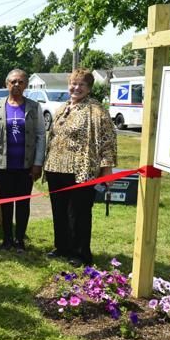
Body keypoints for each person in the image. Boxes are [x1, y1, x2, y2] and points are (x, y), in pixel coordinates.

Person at [43, 68, 117, 266]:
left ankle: (80, 253)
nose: (76, 88)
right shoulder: (63, 107)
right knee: (59, 211)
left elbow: (108, 140)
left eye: (81, 84)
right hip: (55, 168)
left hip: (81, 170)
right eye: (73, 84)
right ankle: (62, 247)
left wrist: (106, 169)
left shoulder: (96, 110)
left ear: (89, 88)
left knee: (79, 213)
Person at [0, 69, 45, 253]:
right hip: (3, 164)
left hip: (26, 165)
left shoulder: (34, 107)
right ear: (6, 84)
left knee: (23, 203)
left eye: (21, 82)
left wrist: (38, 163)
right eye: (13, 81)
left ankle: (20, 240)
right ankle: (7, 239)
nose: (16, 85)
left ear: (26, 85)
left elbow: (41, 135)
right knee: (6, 202)